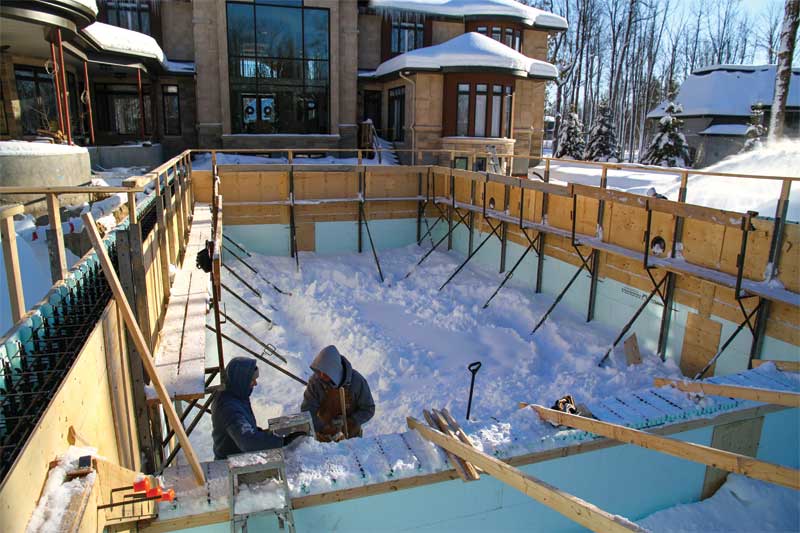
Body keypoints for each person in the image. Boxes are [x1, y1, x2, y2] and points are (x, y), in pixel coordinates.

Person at [212, 357, 306, 459]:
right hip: (231, 461)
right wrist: (282, 441)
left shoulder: (236, 393)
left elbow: (246, 430)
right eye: (252, 380)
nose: (255, 384)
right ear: (241, 380)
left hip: (238, 453)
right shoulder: (229, 408)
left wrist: (266, 435)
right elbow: (247, 441)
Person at [301, 345, 375, 442]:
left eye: (326, 373)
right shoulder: (316, 383)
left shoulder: (357, 382)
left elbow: (368, 408)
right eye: (320, 371)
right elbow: (307, 412)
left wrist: (351, 421)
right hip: (323, 439)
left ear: (334, 371)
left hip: (351, 439)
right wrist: (324, 428)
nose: (321, 376)